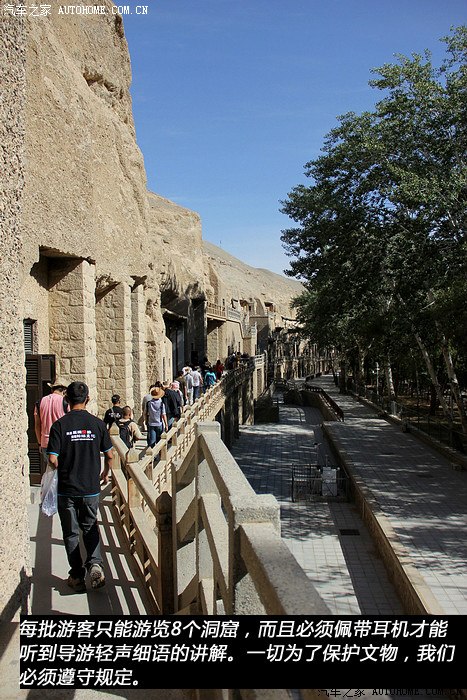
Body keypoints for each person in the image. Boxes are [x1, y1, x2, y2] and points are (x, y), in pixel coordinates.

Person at [46, 381, 113, 592]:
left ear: (66, 400)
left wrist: (63, 467)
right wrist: (105, 472)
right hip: (91, 487)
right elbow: (110, 455)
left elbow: (52, 458)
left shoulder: (59, 425)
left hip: (67, 488)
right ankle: (95, 564)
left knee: (71, 533)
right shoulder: (98, 424)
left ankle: (76, 576)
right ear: (88, 399)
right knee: (90, 527)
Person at [34, 380, 68, 467]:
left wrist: (39, 443)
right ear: (64, 391)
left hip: (45, 442)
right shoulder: (65, 402)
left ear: (52, 389)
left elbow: (37, 425)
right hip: (62, 442)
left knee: (52, 470)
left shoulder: (39, 402)